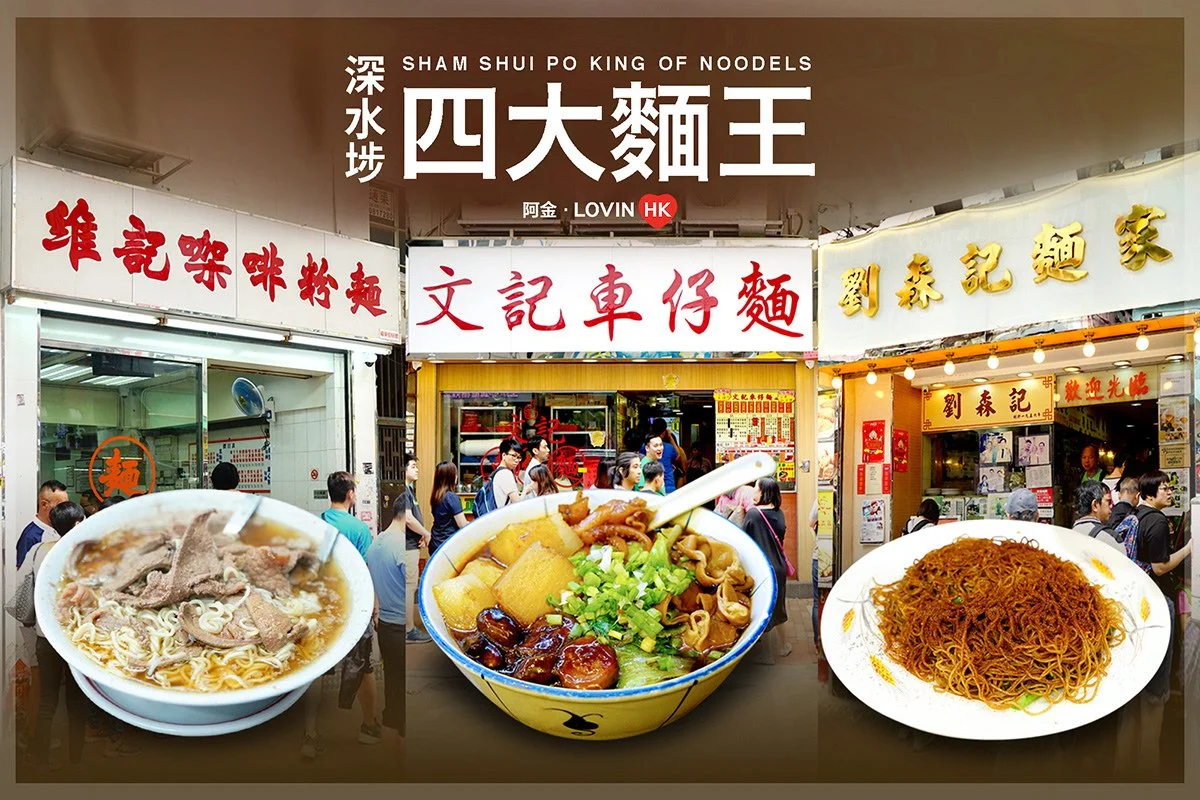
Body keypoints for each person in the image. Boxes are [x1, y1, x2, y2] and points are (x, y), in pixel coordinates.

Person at [1116, 471, 1194, 778]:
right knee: (1157, 687)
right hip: (1157, 603)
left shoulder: (1135, 517)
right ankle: (1150, 768)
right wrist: (1190, 547)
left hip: (1135, 604)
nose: (1170, 492)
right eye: (1164, 488)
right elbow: (1161, 567)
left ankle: (1124, 767)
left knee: (1135, 685)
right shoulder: (1159, 521)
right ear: (1149, 494)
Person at [317, 471, 382, 746]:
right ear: (351, 495)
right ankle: (368, 725)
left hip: (322, 604)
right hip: (353, 605)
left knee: (319, 669)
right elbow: (369, 570)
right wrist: (376, 606)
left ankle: (312, 735)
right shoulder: (357, 528)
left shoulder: (317, 521)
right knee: (364, 666)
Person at [26, 502, 87, 770]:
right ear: (76, 525)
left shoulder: (38, 550)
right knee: (76, 701)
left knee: (47, 699)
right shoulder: (81, 556)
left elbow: (26, 584)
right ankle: (76, 760)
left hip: (45, 636)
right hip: (75, 639)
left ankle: (40, 757)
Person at [364, 494, 408, 747]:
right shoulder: (400, 545)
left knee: (392, 680)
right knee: (400, 682)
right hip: (400, 624)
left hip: (386, 626)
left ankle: (392, 727)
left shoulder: (376, 543)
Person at [742, 477, 791, 658]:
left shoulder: (754, 514)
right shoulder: (779, 513)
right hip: (778, 567)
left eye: (755, 488)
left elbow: (744, 540)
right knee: (778, 607)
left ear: (763, 492)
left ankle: (761, 653)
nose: (753, 492)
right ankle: (784, 645)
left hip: (761, 569)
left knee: (759, 608)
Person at [402, 456, 432, 643]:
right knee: (408, 587)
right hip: (407, 546)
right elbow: (408, 518)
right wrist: (425, 533)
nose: (417, 470)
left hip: (412, 543)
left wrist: (420, 534)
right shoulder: (404, 492)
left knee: (409, 586)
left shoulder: (409, 491)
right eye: (413, 466)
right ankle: (408, 630)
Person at [17, 480, 69, 569]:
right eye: (60, 506)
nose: (64, 510)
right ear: (44, 504)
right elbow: (22, 575)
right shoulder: (31, 536)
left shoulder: (60, 528)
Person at [429, 461, 467, 555]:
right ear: (451, 477)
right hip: (448, 545)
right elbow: (462, 524)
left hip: (435, 543)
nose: (457, 477)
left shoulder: (436, 496)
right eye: (455, 474)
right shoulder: (451, 497)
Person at [1072, 481, 1121, 552]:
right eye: (1108, 502)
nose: (1111, 506)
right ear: (1095, 505)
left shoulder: (1067, 537)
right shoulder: (1110, 538)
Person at [491, 439, 523, 509]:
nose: (517, 460)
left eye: (519, 457)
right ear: (504, 455)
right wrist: (527, 489)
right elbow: (517, 502)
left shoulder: (498, 471)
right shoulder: (505, 473)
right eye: (513, 456)